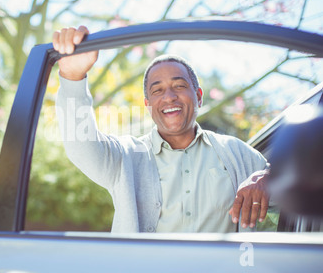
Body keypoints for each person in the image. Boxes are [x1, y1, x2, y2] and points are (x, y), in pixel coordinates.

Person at [53, 25, 270, 233]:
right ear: (148, 105)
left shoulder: (238, 154)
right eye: (157, 90)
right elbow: (80, 146)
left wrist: (267, 178)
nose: (169, 97)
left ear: (199, 97)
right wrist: (73, 78)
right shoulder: (125, 157)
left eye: (179, 86)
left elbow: (292, 178)